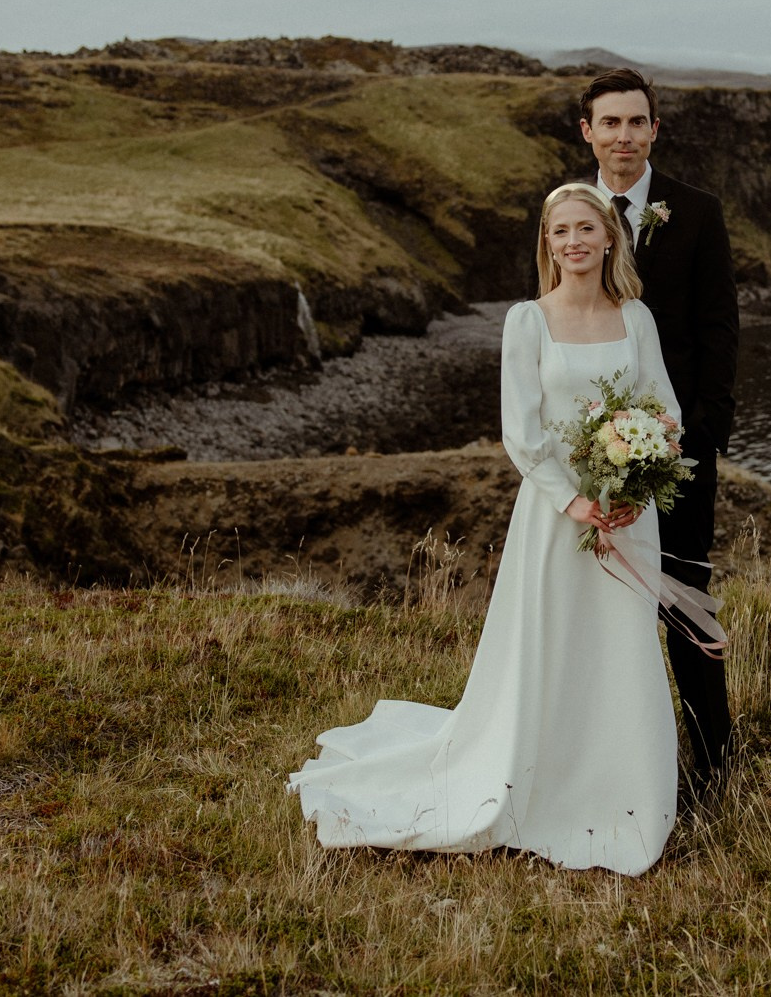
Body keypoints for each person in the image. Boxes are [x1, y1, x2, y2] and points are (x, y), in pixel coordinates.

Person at [287, 183, 685, 875]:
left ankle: (627, 792)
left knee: (622, 646)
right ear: (547, 241)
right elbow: (521, 434)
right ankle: (538, 778)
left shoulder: (638, 317)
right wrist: (575, 501)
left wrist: (639, 479)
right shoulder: (528, 320)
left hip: (628, 516)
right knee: (555, 644)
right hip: (558, 515)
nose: (574, 242)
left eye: (586, 228)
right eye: (560, 231)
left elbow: (665, 410)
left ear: (609, 236)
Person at [580, 67, 738, 803]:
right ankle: (603, 763)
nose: (623, 135)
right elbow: (555, 324)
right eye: (608, 122)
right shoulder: (569, 214)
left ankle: (713, 763)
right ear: (588, 132)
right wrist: (581, 448)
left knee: (684, 600)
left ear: (654, 130)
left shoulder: (698, 212)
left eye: (635, 121)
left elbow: (719, 331)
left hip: (679, 454)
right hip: (593, 460)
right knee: (600, 606)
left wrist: (698, 435)